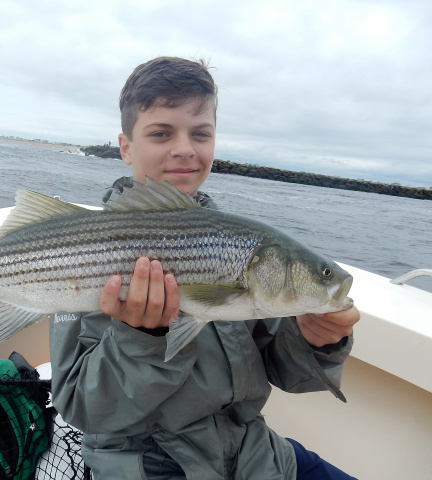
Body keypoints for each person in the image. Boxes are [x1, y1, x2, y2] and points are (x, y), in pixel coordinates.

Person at [49, 56, 360, 479]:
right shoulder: (82, 250)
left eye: (201, 133)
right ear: (125, 147)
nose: (184, 148)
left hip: (258, 454)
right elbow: (84, 408)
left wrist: (314, 342)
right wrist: (142, 339)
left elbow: (288, 374)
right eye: (161, 133)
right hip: (151, 464)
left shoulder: (234, 244)